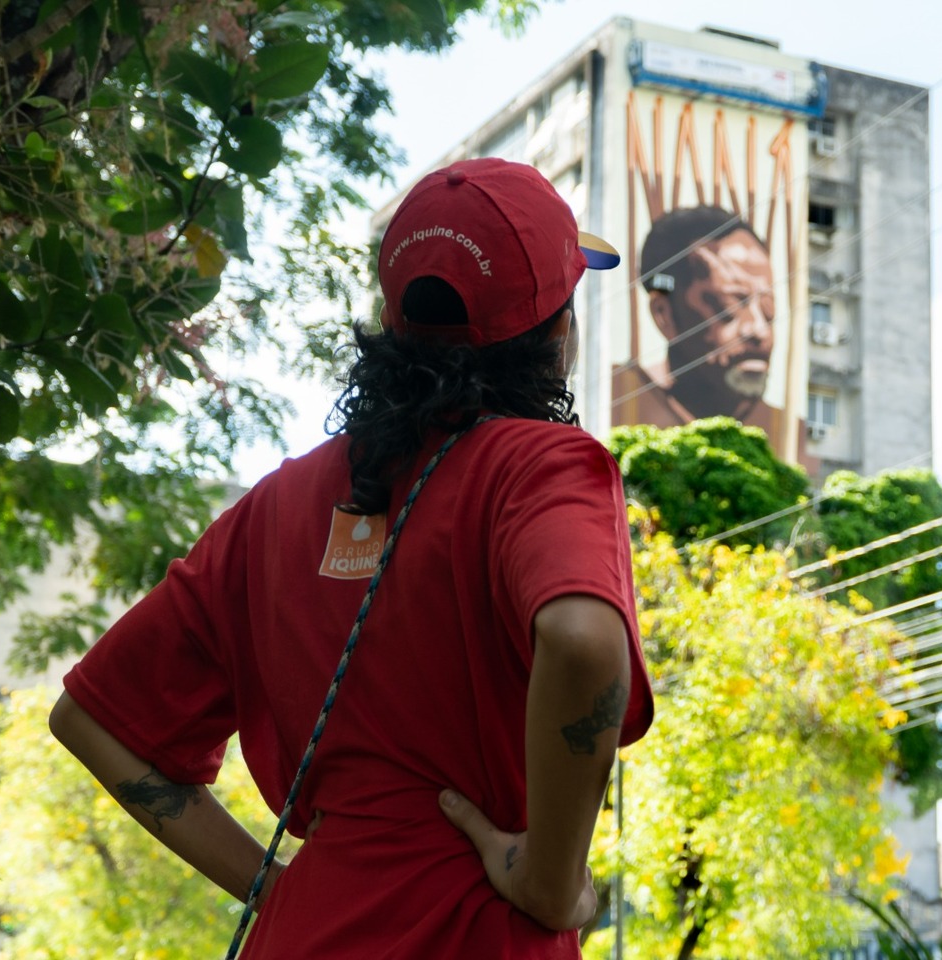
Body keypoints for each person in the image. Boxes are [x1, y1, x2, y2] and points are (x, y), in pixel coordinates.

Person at [48, 158, 654, 957]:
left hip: (305, 925)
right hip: (473, 932)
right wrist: (548, 875)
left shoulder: (276, 504)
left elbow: (90, 717)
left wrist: (275, 888)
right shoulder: (543, 467)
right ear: (556, 331)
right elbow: (583, 640)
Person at [611, 205, 787, 434]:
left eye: (767, 310)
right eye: (729, 308)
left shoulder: (779, 429)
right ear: (664, 314)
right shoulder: (618, 397)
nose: (759, 331)